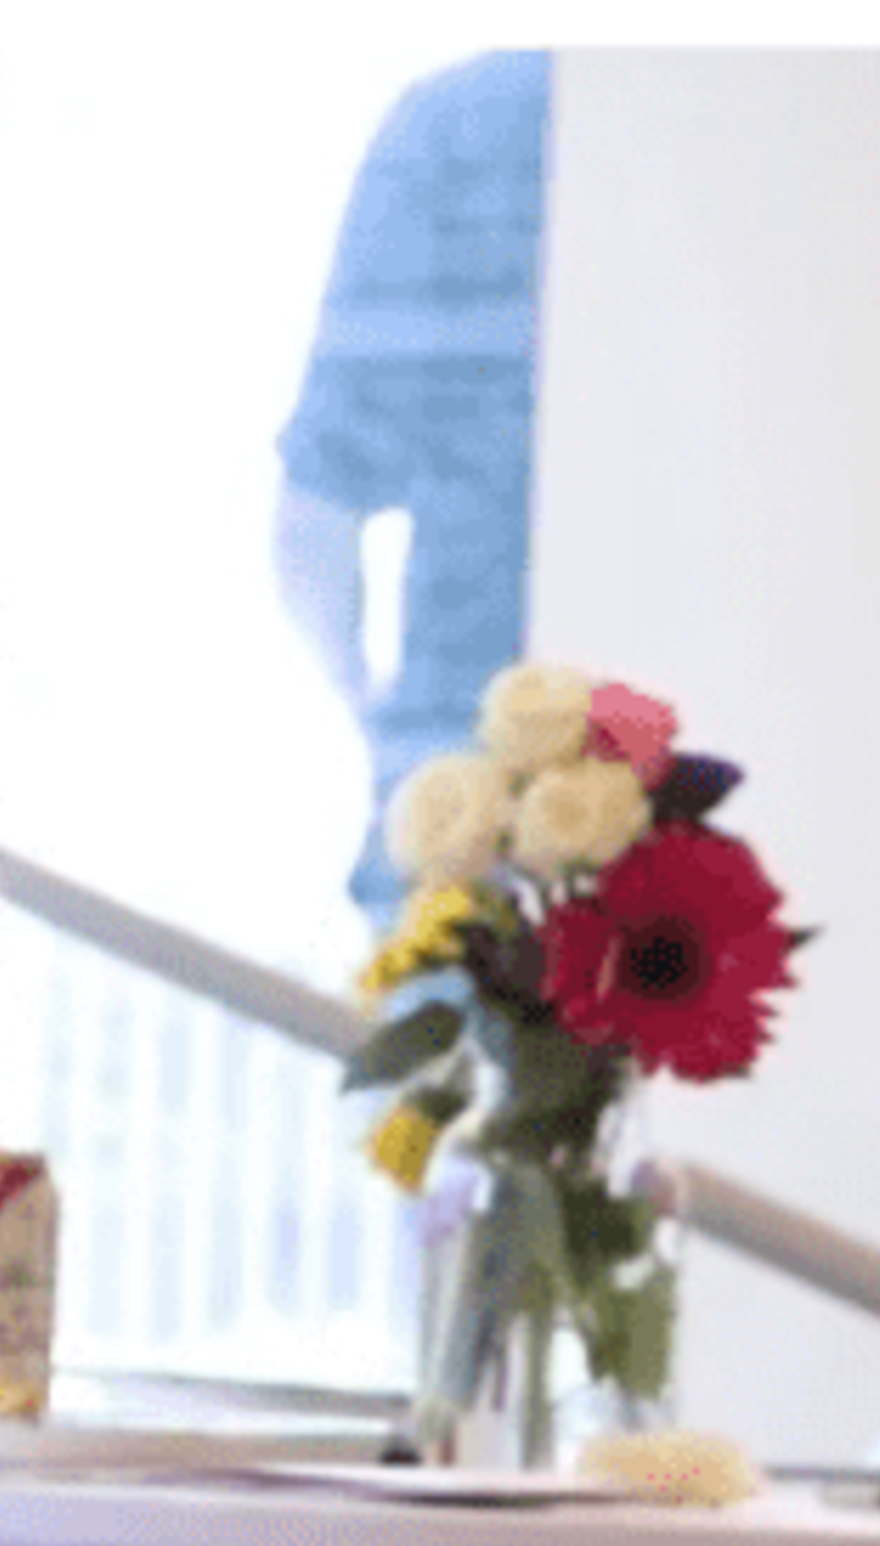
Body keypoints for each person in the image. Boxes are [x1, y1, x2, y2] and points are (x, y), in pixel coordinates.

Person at [273, 46, 553, 927]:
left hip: (466, 789)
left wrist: (382, 714)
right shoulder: (823, 124)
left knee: (445, 1052)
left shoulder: (458, 123)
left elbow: (312, 512)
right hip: (735, 794)